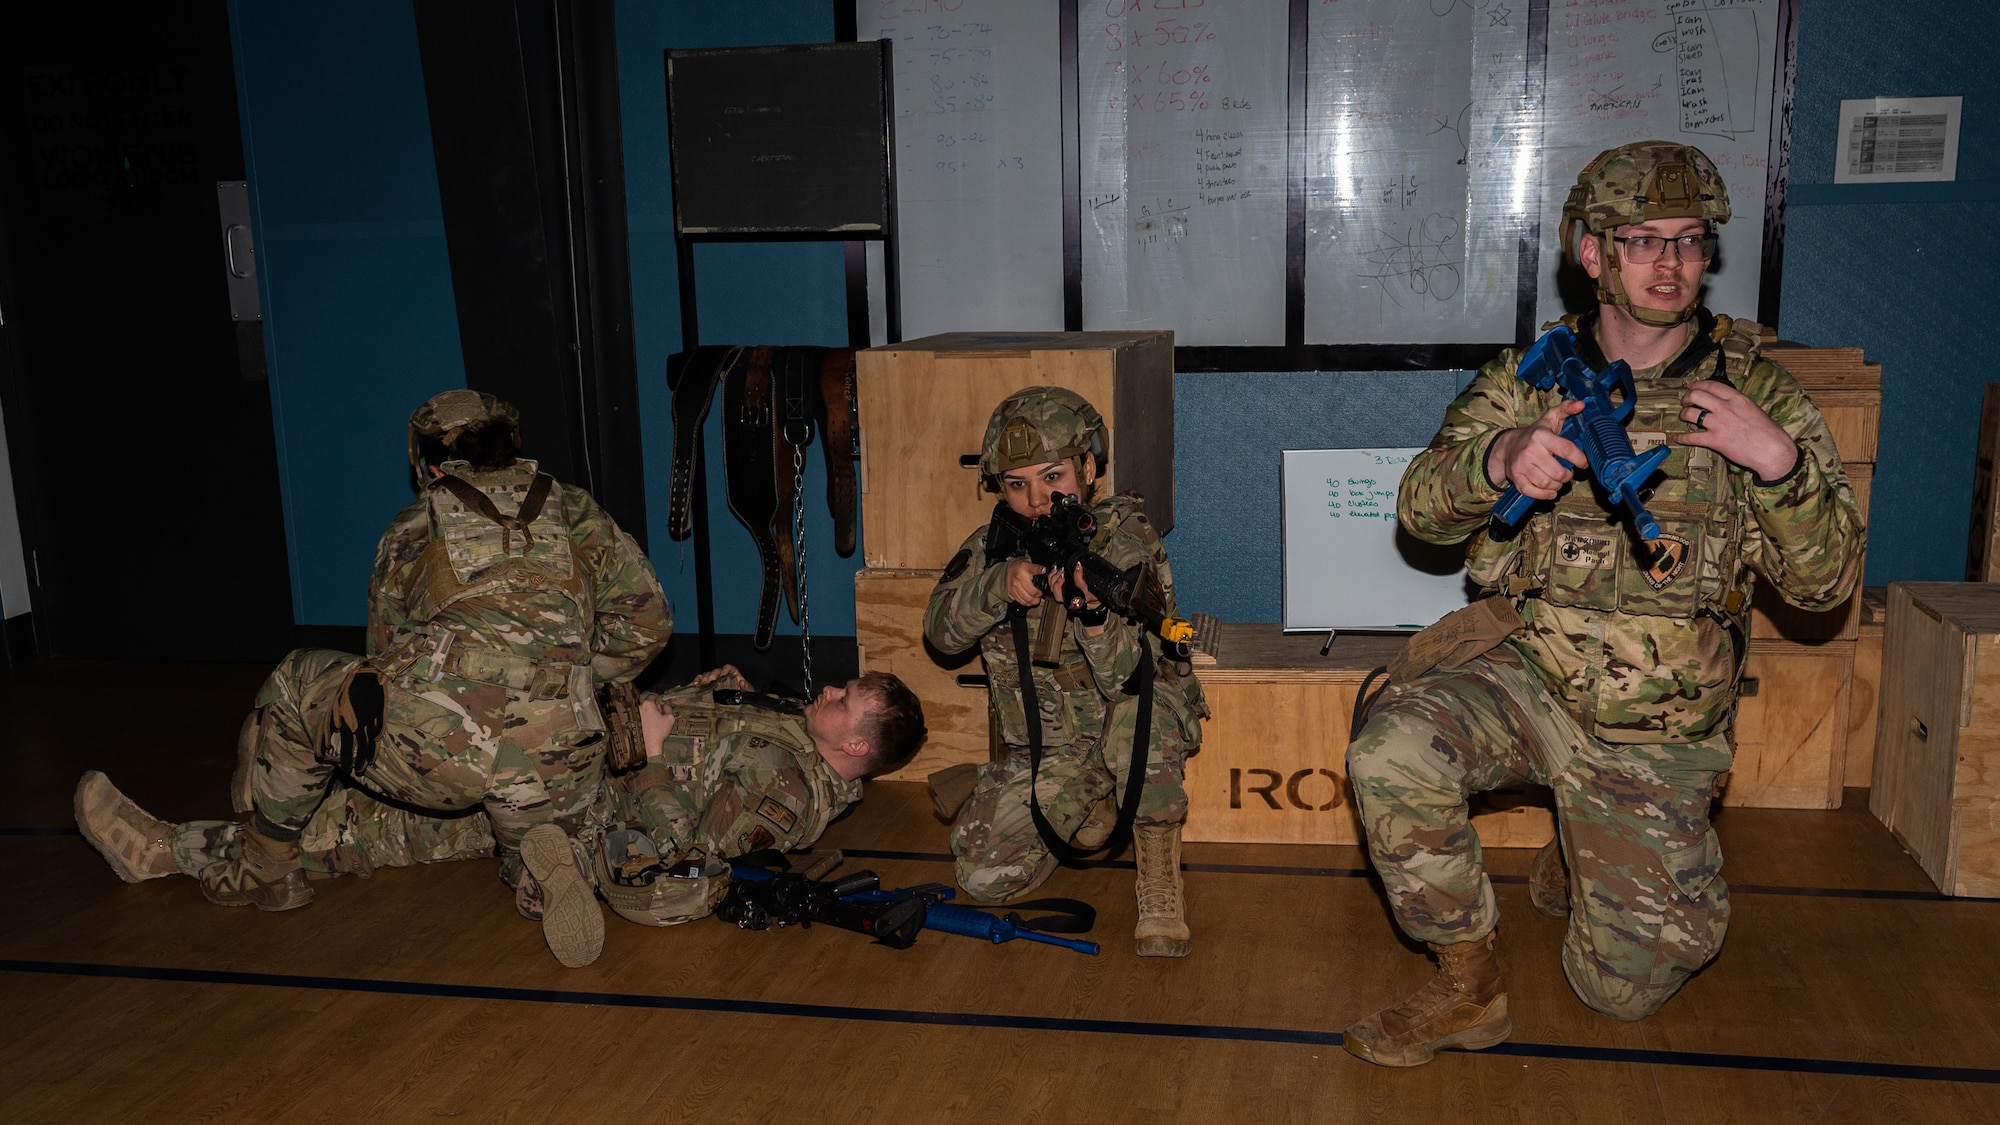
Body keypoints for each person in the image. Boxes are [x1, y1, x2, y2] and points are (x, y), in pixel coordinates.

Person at [1339, 141, 1865, 1066]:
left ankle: (1596, 845)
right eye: (1642, 241)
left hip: (1658, 725)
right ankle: (1469, 984)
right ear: (1592, 254)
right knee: (1391, 744)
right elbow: (1420, 514)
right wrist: (1500, 459)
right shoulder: (1529, 377)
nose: (1670, 265)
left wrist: (1776, 465)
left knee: (1621, 992)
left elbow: (1825, 588)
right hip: (1530, 674)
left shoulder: (1757, 392)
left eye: (1691, 242)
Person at [113, 389, 672, 966]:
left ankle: (266, 871)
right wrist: (578, 674)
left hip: (450, 747)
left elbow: (380, 666)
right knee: (532, 813)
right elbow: (650, 625)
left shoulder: (416, 523)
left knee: (299, 678)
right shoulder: (578, 511)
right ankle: (538, 868)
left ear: (430, 465)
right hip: (562, 751)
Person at [74, 666, 926, 932]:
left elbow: (680, 846)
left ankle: (168, 847)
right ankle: (270, 802)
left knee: (377, 831)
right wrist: (706, 693)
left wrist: (655, 755)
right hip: (572, 761)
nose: (836, 687)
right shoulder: (791, 733)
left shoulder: (788, 795)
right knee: (380, 822)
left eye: (852, 695)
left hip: (573, 803)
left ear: (855, 745)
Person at [924, 386, 1208, 957]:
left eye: (1053, 477)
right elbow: (940, 635)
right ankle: (1089, 803)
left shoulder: (1124, 547)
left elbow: (1134, 680)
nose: (1035, 499)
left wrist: (1096, 621)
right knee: (982, 878)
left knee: (1137, 722)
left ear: (1088, 467)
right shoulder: (991, 547)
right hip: (1054, 747)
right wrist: (996, 587)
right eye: (1017, 484)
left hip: (1126, 722)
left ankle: (1157, 879)